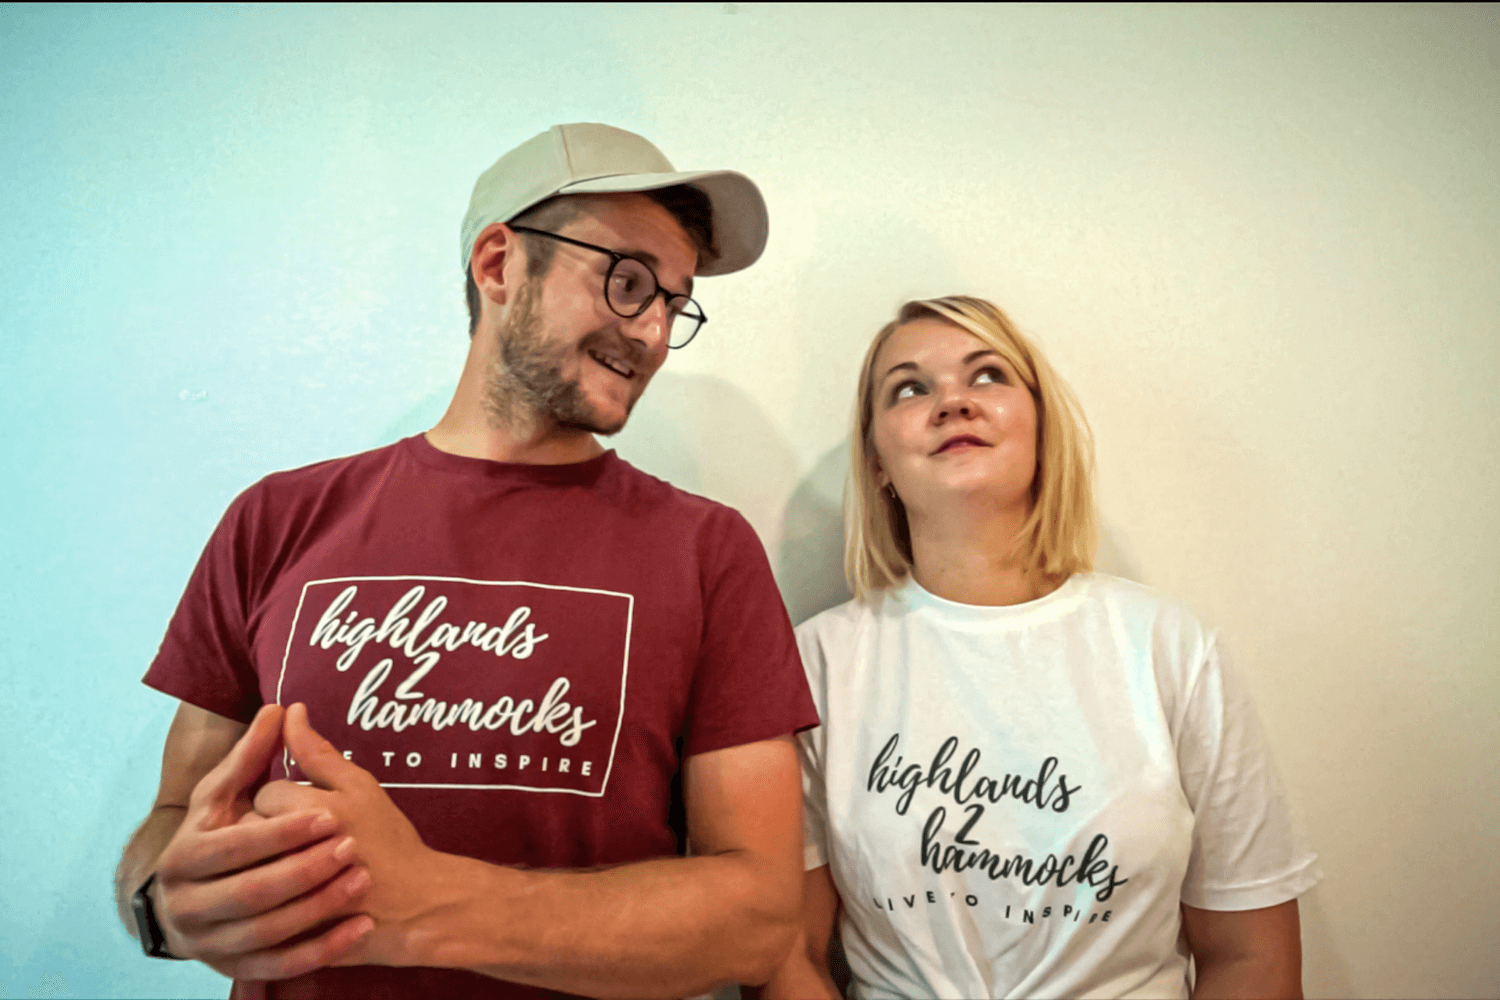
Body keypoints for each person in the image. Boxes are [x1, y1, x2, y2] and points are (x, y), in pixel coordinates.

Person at [113, 123, 819, 999]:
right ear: (497, 264)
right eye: (628, 282)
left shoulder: (707, 549)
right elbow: (172, 822)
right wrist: (164, 908)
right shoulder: (278, 519)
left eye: (675, 304)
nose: (651, 334)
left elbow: (755, 918)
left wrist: (433, 905)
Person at [760, 297, 1321, 999]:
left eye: (987, 375)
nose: (953, 403)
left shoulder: (1170, 649)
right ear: (877, 460)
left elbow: (1252, 957)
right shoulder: (819, 665)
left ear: (1040, 428)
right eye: (909, 388)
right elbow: (788, 955)